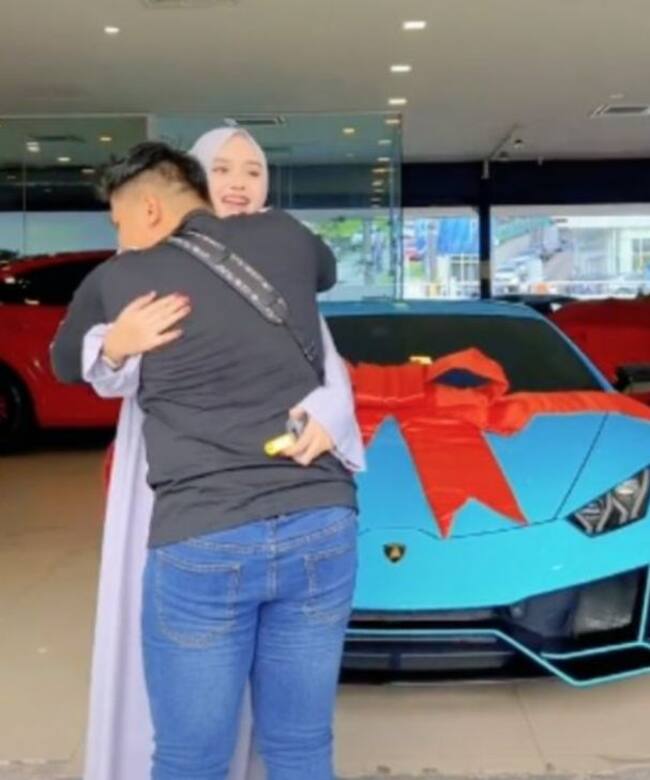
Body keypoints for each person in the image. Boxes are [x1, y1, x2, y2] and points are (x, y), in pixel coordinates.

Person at [51, 139, 362, 780]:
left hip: (204, 535)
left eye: (118, 221)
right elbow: (325, 272)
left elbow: (64, 362)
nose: (120, 237)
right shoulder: (286, 235)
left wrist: (117, 343)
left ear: (149, 209)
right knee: (301, 745)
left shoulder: (121, 279)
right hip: (321, 521)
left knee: (192, 758)